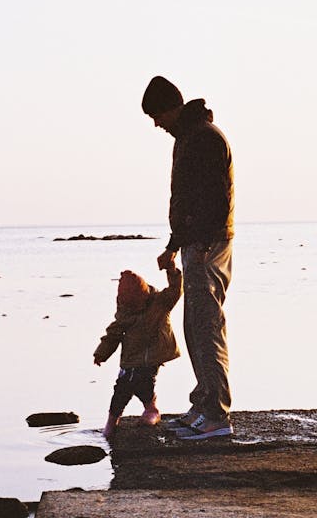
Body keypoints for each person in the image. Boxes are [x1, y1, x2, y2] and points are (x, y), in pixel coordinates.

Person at [141, 75, 234, 440]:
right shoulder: (189, 138)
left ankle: (216, 415)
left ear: (171, 107)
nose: (155, 124)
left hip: (208, 245)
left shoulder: (205, 138)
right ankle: (203, 405)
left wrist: (197, 241)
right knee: (195, 326)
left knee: (206, 326)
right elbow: (186, 200)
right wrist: (174, 244)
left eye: (156, 115)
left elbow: (214, 199)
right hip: (197, 243)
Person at [94, 265, 182, 442]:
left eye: (136, 305)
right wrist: (101, 354)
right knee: (122, 387)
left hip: (153, 355)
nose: (134, 308)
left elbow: (176, 289)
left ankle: (151, 410)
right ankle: (112, 421)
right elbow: (113, 334)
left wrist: (172, 271)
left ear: (144, 295)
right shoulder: (125, 311)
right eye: (129, 306)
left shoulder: (160, 302)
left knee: (143, 382)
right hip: (131, 357)